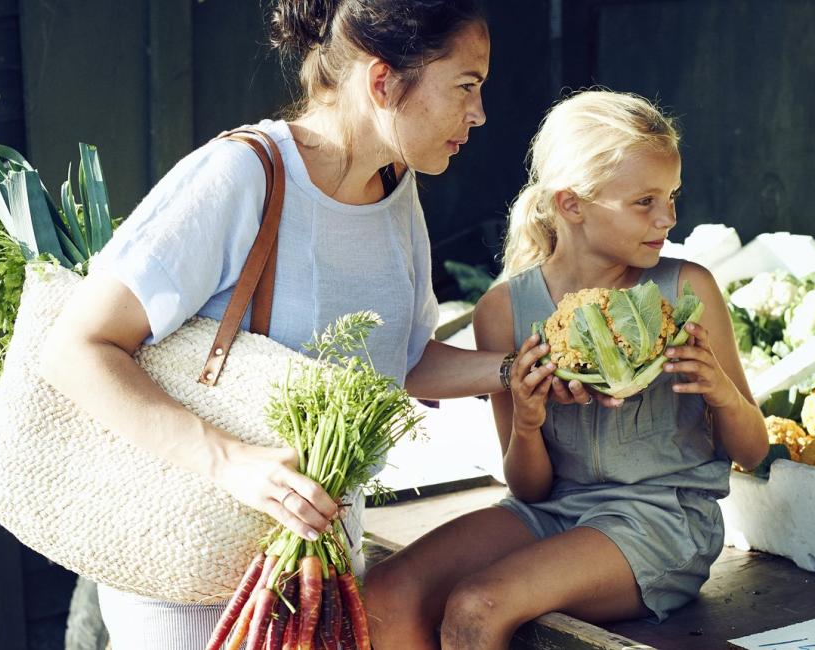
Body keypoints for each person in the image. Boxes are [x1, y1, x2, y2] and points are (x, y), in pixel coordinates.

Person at [35, 1, 593, 647]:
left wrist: (516, 370)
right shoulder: (240, 175)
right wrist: (233, 464)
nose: (480, 113)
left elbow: (400, 362)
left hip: (317, 564)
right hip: (195, 571)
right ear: (383, 81)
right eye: (466, 85)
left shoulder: (395, 193)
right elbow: (76, 348)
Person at [363, 90, 770, 650]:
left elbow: (754, 453)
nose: (668, 218)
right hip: (550, 513)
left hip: (662, 523)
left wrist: (720, 393)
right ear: (572, 204)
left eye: (671, 197)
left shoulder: (686, 287)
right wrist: (527, 422)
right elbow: (529, 490)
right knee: (383, 592)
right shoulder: (504, 310)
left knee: (478, 606)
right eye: (644, 201)